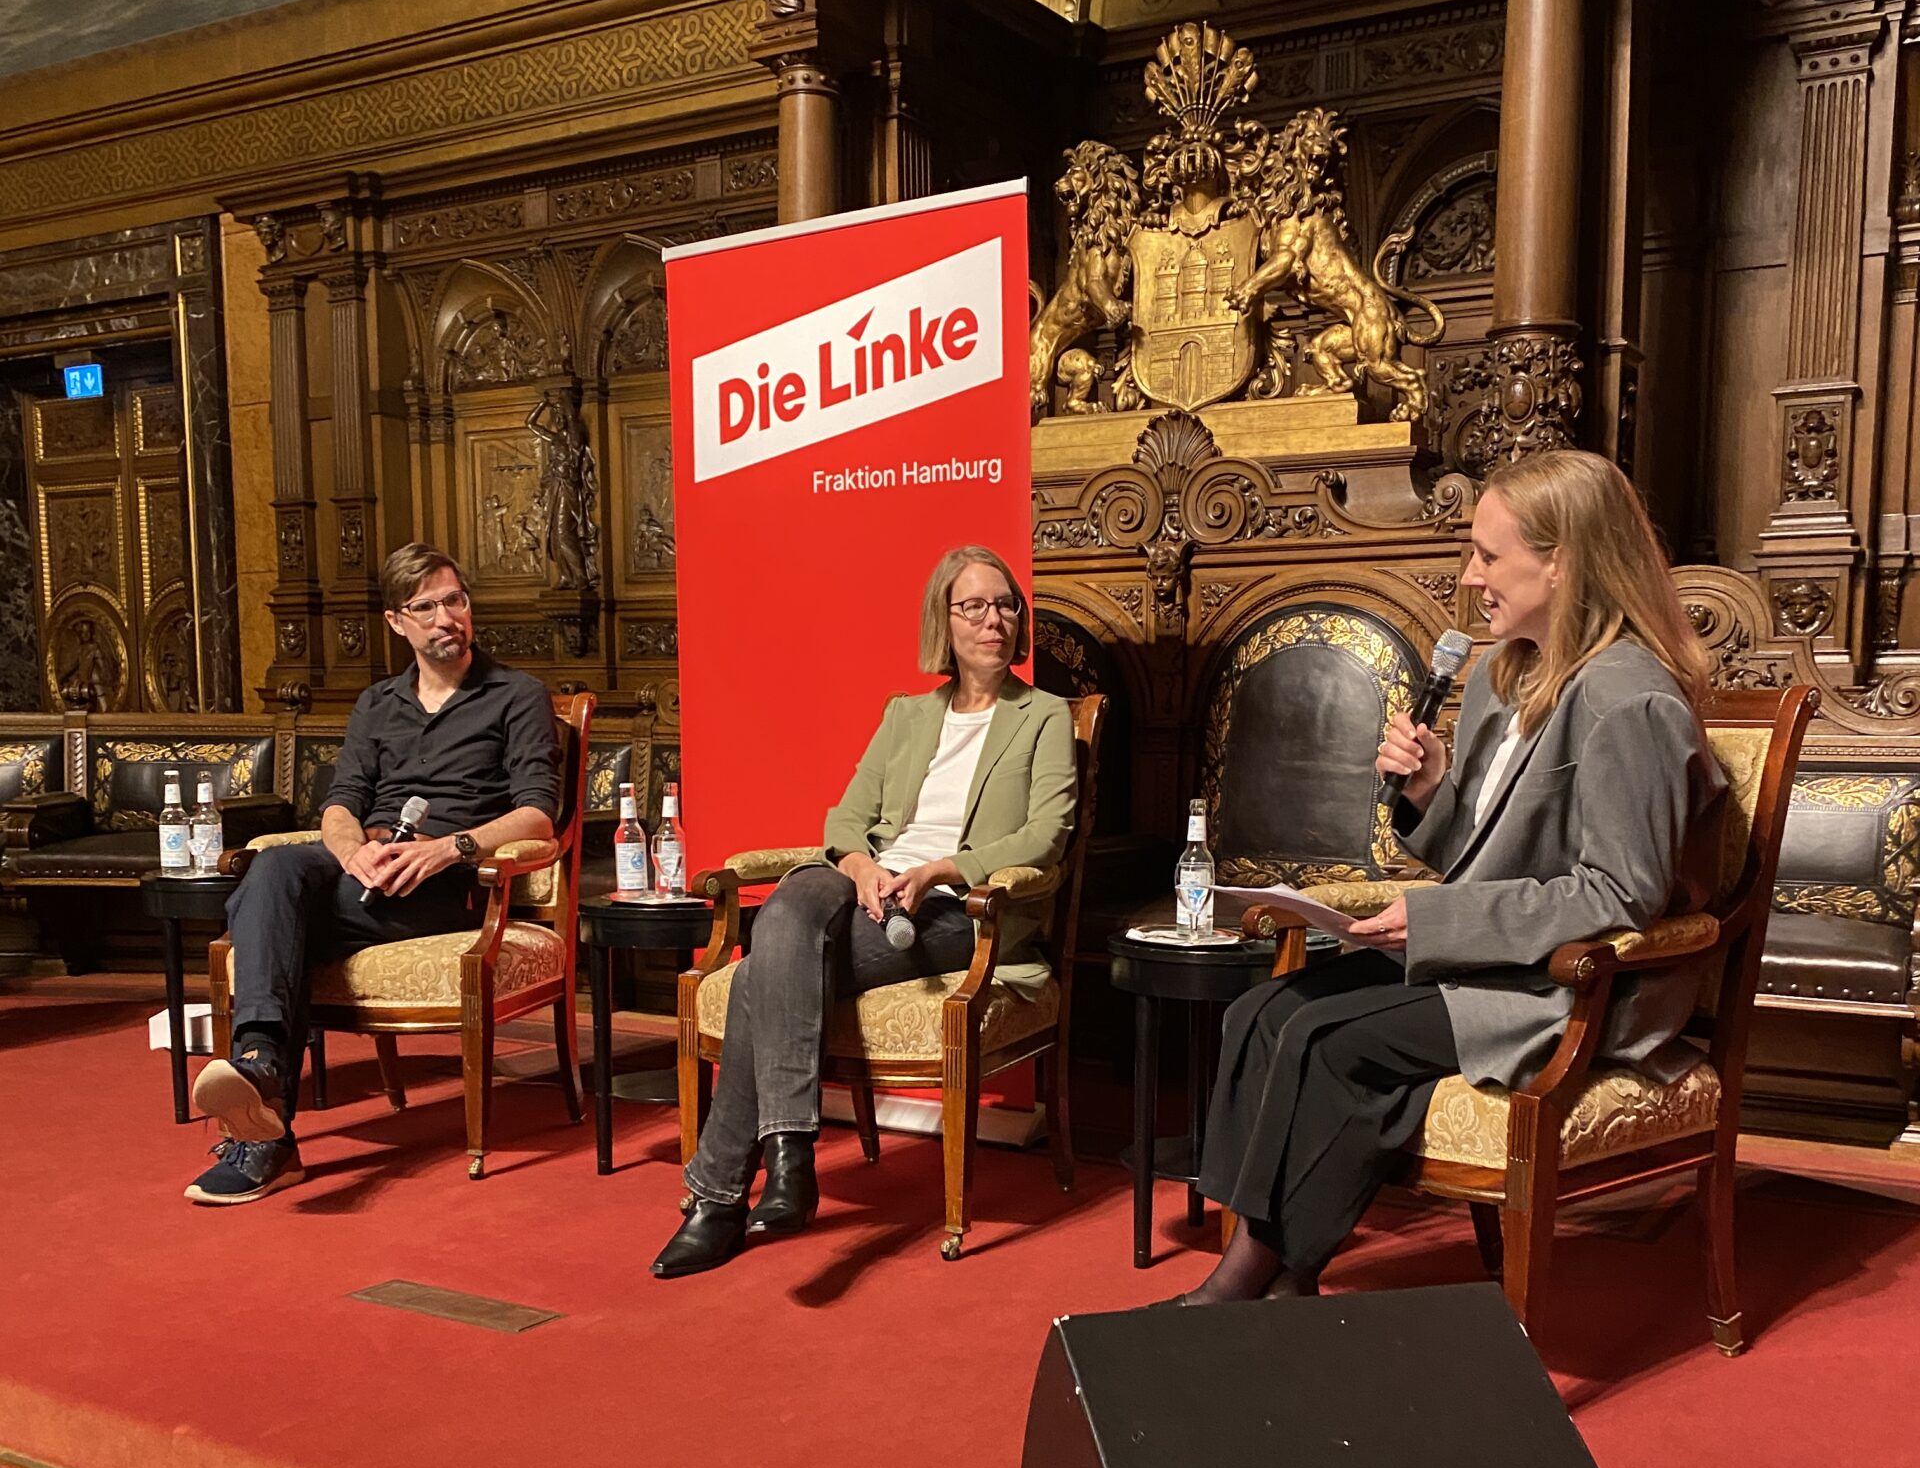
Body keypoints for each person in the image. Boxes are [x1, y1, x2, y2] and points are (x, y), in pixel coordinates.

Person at [1178, 448, 1725, 1304]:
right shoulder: (1506, 680)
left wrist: (1439, 925)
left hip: (1568, 986)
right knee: (1261, 1010)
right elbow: (1486, 855)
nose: (1471, 579)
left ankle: (1258, 1280)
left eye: (1489, 555)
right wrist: (1436, 791)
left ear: (1564, 561)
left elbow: (1621, 894)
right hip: (1494, 958)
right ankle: (1275, 1273)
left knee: (1328, 1041)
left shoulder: (1631, 699)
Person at [654, 546, 1076, 1277]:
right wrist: (858, 866)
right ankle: (783, 1159)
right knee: (795, 894)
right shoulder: (908, 715)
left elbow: (1045, 835)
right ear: (943, 622)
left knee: (758, 980)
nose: (993, 619)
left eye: (1005, 604)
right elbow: (846, 819)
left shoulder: (1042, 716)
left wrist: (943, 868)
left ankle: (724, 1195)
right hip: (870, 885)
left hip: (958, 909)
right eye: (973, 605)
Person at [184, 544, 559, 1206]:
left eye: (456, 600)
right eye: (427, 606)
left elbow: (537, 816)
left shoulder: (516, 696)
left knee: (267, 917)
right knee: (273, 870)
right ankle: (264, 1076)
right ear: (396, 621)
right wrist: (351, 848)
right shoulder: (377, 703)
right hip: (363, 871)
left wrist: (450, 848)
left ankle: (264, 1125)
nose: (447, 617)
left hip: (441, 888)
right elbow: (339, 802)